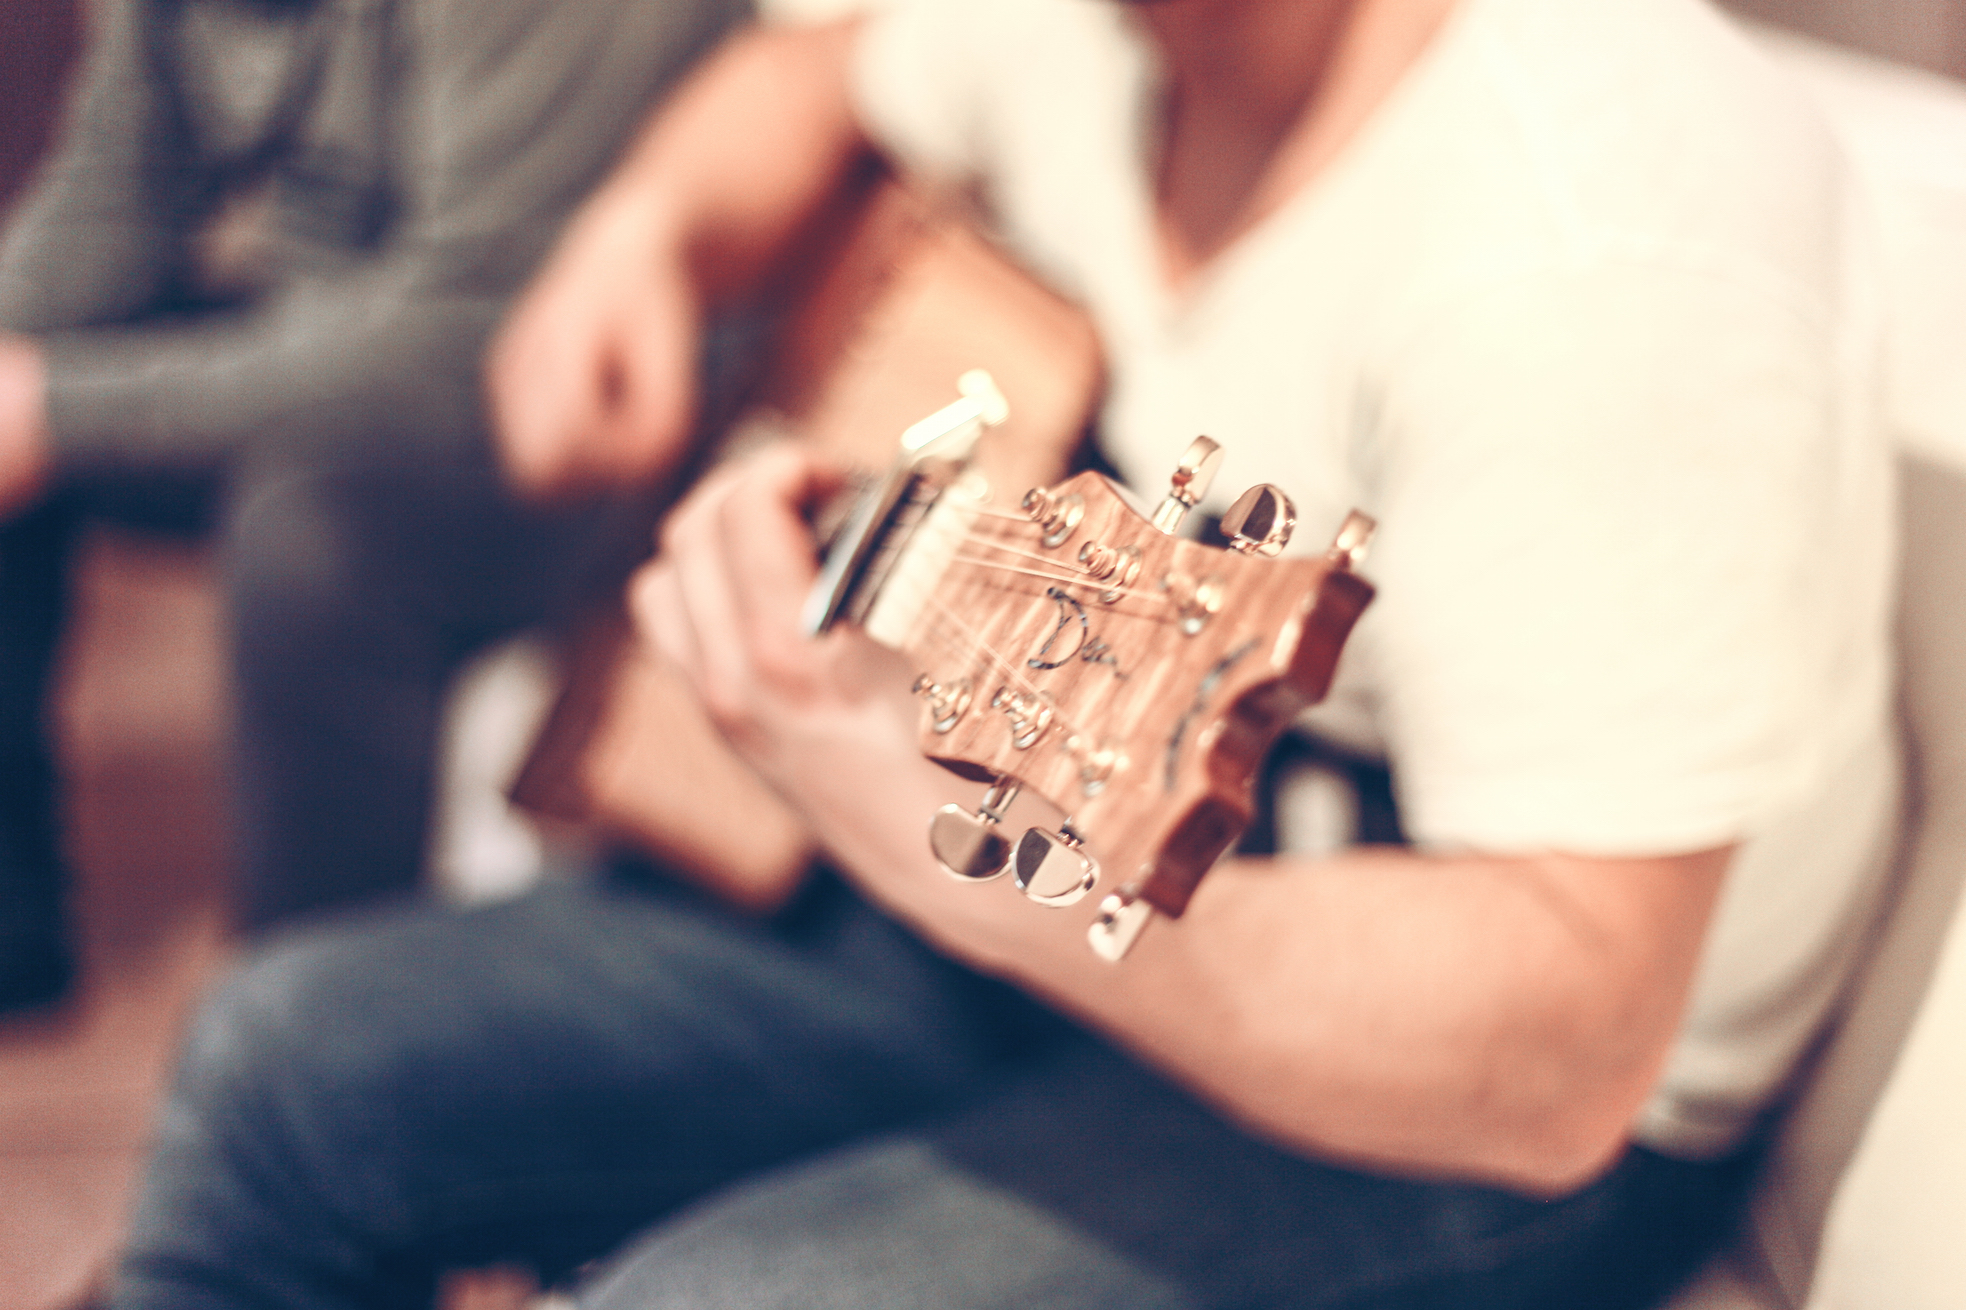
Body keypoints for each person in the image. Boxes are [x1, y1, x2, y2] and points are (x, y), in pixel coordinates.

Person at [106, 0, 1899, 1305]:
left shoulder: (1599, 242)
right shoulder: (1090, 28)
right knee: (277, 1069)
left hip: (1511, 1111)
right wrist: (639, 235)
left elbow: (1560, 1038)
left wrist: (939, 842)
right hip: (1047, 892)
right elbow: (809, 72)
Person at [0, 0, 750, 1012]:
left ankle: (312, 1030)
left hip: (593, 410)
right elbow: (110, 207)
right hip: (366, 334)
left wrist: (54, 411)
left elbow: (461, 325)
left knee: (312, 538)